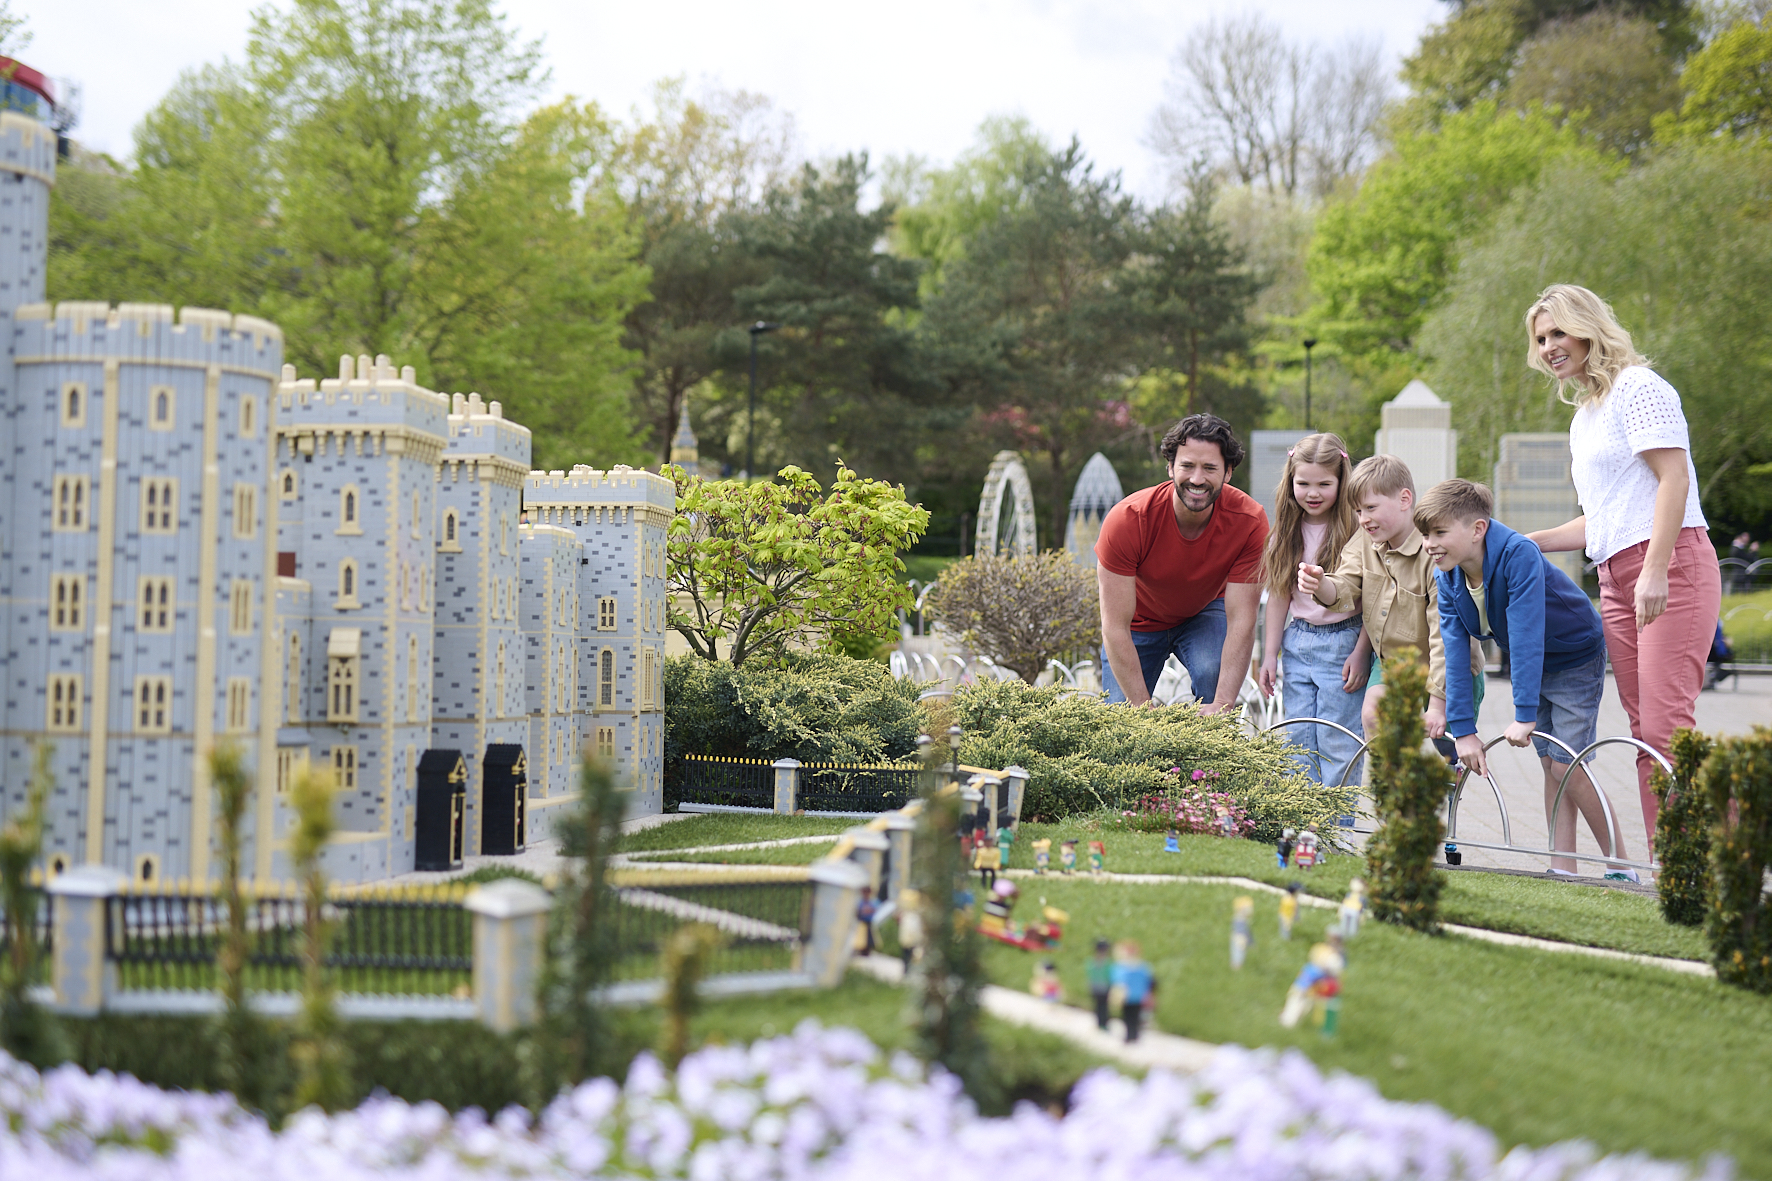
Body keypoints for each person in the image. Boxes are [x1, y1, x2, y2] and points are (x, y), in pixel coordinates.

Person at [1521, 285, 1722, 846]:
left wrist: (1656, 569)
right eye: (1541, 339)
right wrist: (1529, 542)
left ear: (1588, 327)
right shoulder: (1584, 417)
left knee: (1665, 728)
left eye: (1558, 332)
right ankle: (1669, 862)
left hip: (1671, 566)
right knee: (1644, 735)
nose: (1549, 347)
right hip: (1614, 576)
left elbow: (1673, 480)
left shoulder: (1640, 387)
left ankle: (1715, 848)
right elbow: (1600, 519)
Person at [1416, 479, 1630, 878]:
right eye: (1426, 534)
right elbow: (1455, 653)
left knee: (1568, 764)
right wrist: (1462, 731)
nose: (1430, 543)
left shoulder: (1517, 555)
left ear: (1477, 529)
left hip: (1573, 655)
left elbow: (1527, 634)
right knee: (1552, 762)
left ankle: (1622, 865)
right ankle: (1563, 866)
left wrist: (1523, 713)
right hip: (1538, 663)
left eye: (1440, 532)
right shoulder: (1447, 576)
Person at [1096, 414, 1269, 712]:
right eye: (1187, 466)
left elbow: (1242, 619)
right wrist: (1141, 710)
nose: (1197, 479)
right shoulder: (1128, 520)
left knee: (1213, 676)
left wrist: (1223, 705)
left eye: (1210, 468)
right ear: (1170, 467)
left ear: (1228, 472)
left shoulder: (1249, 522)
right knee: (1121, 720)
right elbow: (1114, 627)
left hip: (1204, 612)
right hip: (1138, 623)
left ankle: (1208, 758)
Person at [1296, 454, 1470, 750]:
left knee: (1451, 745)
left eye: (1371, 508)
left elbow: (1446, 636)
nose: (1363, 519)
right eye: (1358, 510)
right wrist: (1322, 584)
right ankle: (1396, 786)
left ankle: (1449, 778)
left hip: (1448, 662)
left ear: (1405, 499)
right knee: (1375, 715)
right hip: (1395, 662)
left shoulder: (1434, 552)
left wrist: (1438, 704)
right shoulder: (1366, 541)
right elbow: (1345, 587)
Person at [1256, 433, 1371, 798]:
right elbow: (1277, 596)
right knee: (1298, 740)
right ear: (1290, 482)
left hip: (1344, 642)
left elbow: (1374, 600)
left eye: (1325, 483)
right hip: (1298, 640)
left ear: (1342, 481)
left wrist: (1362, 651)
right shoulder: (1285, 532)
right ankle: (1306, 827)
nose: (1313, 492)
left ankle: (1337, 832)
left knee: (1337, 740)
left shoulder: (1357, 530)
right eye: (1303, 483)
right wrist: (1269, 653)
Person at [1110, 940, 1154, 1043]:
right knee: (1135, 1016)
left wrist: (1115, 996)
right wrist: (1148, 994)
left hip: (1126, 997)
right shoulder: (1143, 967)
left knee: (1127, 1017)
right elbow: (1149, 981)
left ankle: (1130, 1035)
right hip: (1139, 996)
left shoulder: (1121, 967)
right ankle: (1134, 1035)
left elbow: (1118, 983)